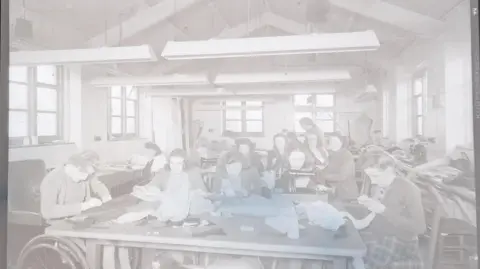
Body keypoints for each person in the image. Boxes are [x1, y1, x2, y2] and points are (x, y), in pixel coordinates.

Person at [342, 155, 426, 269]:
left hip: (401, 241)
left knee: (358, 258)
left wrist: (383, 210)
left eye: (375, 175)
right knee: (348, 251)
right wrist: (362, 211)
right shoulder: (382, 187)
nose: (373, 181)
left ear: (388, 170)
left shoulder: (408, 189)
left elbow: (420, 227)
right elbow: (372, 220)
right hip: (381, 237)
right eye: (370, 176)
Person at [318, 133, 358, 200]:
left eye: (328, 141)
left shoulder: (346, 155)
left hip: (345, 194)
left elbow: (342, 176)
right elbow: (325, 169)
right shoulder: (331, 155)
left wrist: (323, 176)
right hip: (332, 191)